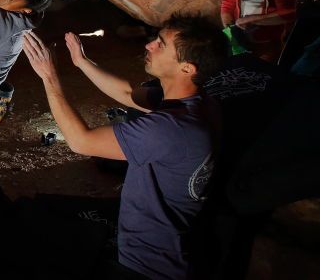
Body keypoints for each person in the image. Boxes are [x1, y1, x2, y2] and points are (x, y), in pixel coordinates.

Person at [22, 14, 229, 279]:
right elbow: (128, 94)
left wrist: (49, 77)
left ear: (187, 68)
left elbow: (80, 141)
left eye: (161, 45)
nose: (149, 45)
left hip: (146, 264)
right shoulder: (199, 103)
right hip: (169, 249)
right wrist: (81, 62)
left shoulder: (170, 129)